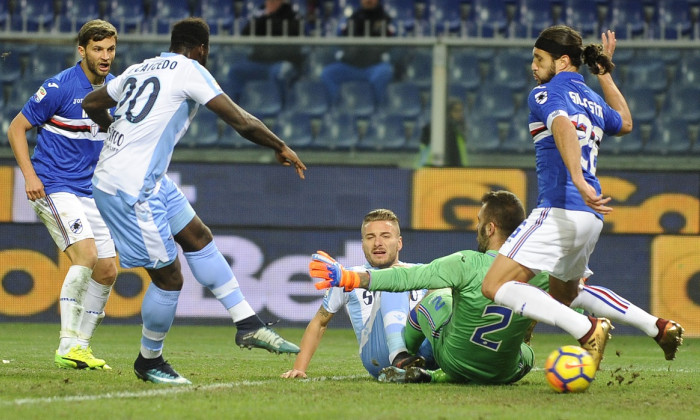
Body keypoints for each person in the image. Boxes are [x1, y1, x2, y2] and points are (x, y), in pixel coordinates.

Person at [81, 17, 307, 385]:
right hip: (130, 188)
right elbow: (241, 120)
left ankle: (247, 324)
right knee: (169, 278)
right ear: (201, 48)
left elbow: (91, 100)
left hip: (145, 179)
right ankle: (148, 360)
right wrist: (279, 146)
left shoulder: (140, 68)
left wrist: (112, 129)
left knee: (198, 236)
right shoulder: (189, 70)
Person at [310, 191, 685, 385]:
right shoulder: (541, 270)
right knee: (532, 350)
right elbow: (588, 294)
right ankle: (656, 325)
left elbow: (404, 278)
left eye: (478, 221)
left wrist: (349, 276)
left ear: (490, 228)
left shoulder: (467, 263)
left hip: (456, 361)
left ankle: (407, 362)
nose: (476, 226)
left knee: (432, 300)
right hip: (505, 370)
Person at [477, 26, 683, 371]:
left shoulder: (544, 93)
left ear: (562, 61)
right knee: (566, 293)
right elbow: (627, 123)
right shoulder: (591, 98)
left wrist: (576, 178)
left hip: (559, 207)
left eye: (539, 58)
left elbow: (562, 127)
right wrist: (603, 74)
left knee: (494, 285)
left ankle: (586, 329)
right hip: (590, 217)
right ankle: (657, 326)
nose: (533, 65)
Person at [7, 20, 119, 371]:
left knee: (108, 270)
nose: (105, 56)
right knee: (85, 254)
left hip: (90, 191)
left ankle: (81, 347)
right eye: (97, 49)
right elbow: (16, 127)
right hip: (54, 185)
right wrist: (29, 176)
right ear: (82, 50)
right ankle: (67, 343)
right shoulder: (59, 86)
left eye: (111, 49)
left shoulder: (117, 89)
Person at [281, 209, 431, 380]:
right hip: (377, 354)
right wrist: (299, 368)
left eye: (385, 236)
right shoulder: (349, 277)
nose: (378, 243)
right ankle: (398, 355)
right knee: (394, 278)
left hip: (420, 350)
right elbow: (319, 322)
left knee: (440, 291)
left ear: (399, 243)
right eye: (370, 237)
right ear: (363, 244)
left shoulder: (419, 272)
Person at [320, 0, 395, 106]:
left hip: (374, 67)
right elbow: (339, 44)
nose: (368, 1)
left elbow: (394, 47)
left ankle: (378, 111)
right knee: (328, 74)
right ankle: (336, 109)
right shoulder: (351, 19)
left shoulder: (386, 20)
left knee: (385, 71)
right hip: (351, 66)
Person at [229, 0, 305, 102]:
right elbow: (246, 33)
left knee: (278, 73)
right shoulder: (260, 12)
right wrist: (266, 15)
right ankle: (236, 108)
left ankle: (280, 108)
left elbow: (291, 31)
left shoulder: (292, 13)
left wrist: (271, 16)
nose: (270, 2)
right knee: (236, 71)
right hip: (260, 62)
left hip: (283, 61)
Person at [417, 97, 467, 167]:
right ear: (448, 112)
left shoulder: (457, 130)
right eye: (456, 111)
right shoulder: (441, 129)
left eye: (461, 111)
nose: (460, 114)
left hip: (456, 173)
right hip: (432, 172)